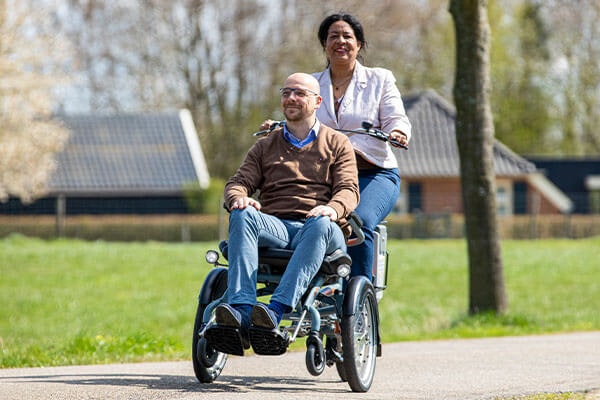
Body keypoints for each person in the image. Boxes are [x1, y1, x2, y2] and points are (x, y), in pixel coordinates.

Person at [204, 72, 360, 356]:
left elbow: (349, 190)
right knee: (241, 215)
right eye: (286, 92)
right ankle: (240, 310)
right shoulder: (265, 145)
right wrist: (239, 198)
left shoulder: (337, 143)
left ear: (317, 101)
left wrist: (332, 208)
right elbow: (237, 183)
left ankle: (275, 311)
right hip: (277, 226)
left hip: (321, 229)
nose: (291, 98)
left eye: (299, 93)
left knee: (321, 223)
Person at [262, 13, 412, 281]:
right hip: (323, 175)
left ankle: (358, 293)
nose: (340, 41)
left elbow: (395, 118)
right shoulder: (310, 83)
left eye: (347, 36)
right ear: (324, 45)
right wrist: (276, 124)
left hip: (371, 173)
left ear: (360, 44)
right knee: (299, 216)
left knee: (357, 220)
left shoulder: (380, 79)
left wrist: (398, 131)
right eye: (333, 36)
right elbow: (296, 117)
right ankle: (312, 284)